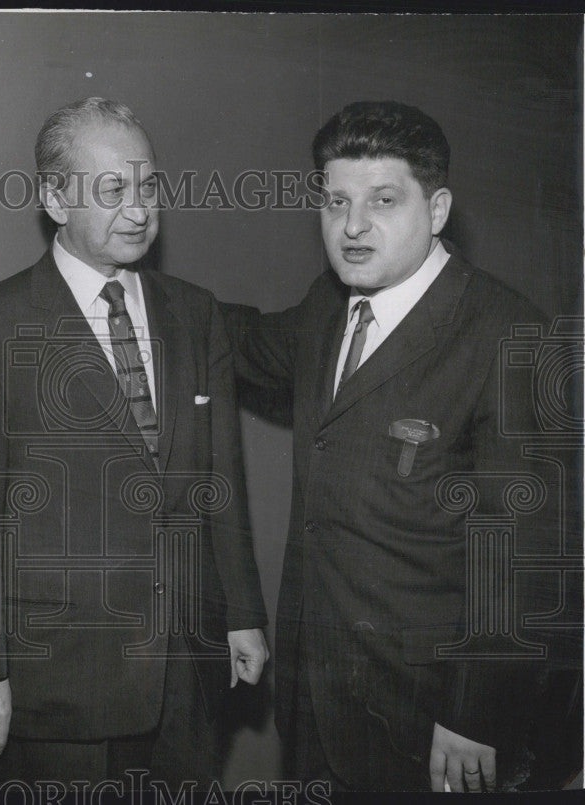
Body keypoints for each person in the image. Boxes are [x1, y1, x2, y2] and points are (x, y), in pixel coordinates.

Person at [0, 97, 269, 786]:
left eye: (148, 187)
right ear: (55, 197)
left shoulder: (196, 312)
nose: (141, 208)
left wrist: (240, 615)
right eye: (114, 189)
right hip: (56, 674)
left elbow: (221, 480)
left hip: (187, 664)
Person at [226, 100, 553, 792]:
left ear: (437, 210)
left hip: (431, 721)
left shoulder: (509, 335)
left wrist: (475, 715)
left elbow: (522, 558)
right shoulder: (329, 304)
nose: (351, 226)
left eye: (382, 200)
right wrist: (141, 296)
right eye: (336, 200)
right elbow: (244, 339)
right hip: (316, 699)